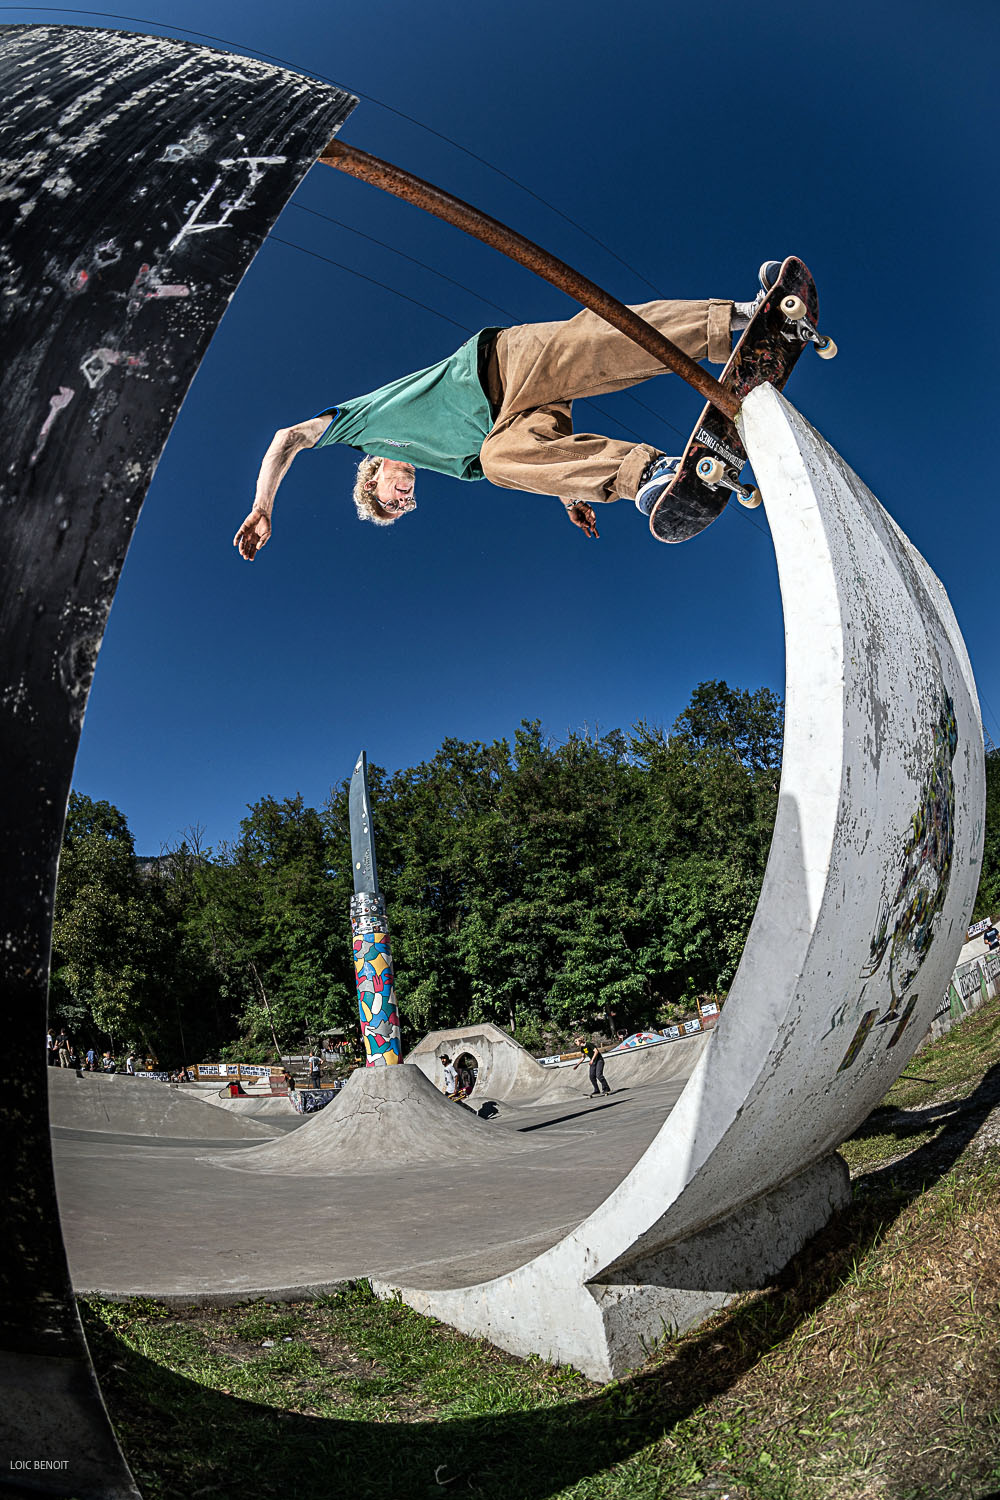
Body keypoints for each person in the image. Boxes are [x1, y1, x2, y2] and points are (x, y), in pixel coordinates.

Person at [233, 265, 781, 557]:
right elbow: (534, 457)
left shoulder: (359, 427)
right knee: (496, 464)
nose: (407, 499)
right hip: (516, 423)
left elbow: (287, 437)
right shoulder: (455, 465)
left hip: (503, 365)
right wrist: (568, 492)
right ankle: (652, 476)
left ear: (373, 474)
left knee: (600, 344)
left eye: (392, 500)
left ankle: (741, 317)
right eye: (405, 507)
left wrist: (263, 506)